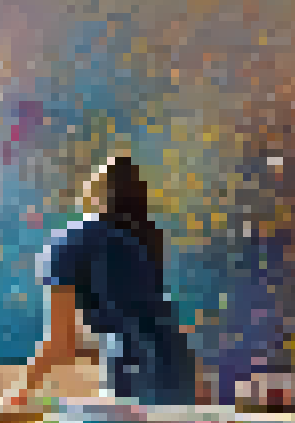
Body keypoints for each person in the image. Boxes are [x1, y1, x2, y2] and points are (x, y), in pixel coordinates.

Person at [10, 153, 198, 408]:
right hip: (180, 375)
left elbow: (62, 339)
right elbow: (138, 326)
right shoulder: (139, 244)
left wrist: (17, 395)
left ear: (93, 191)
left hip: (134, 380)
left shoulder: (69, 242)